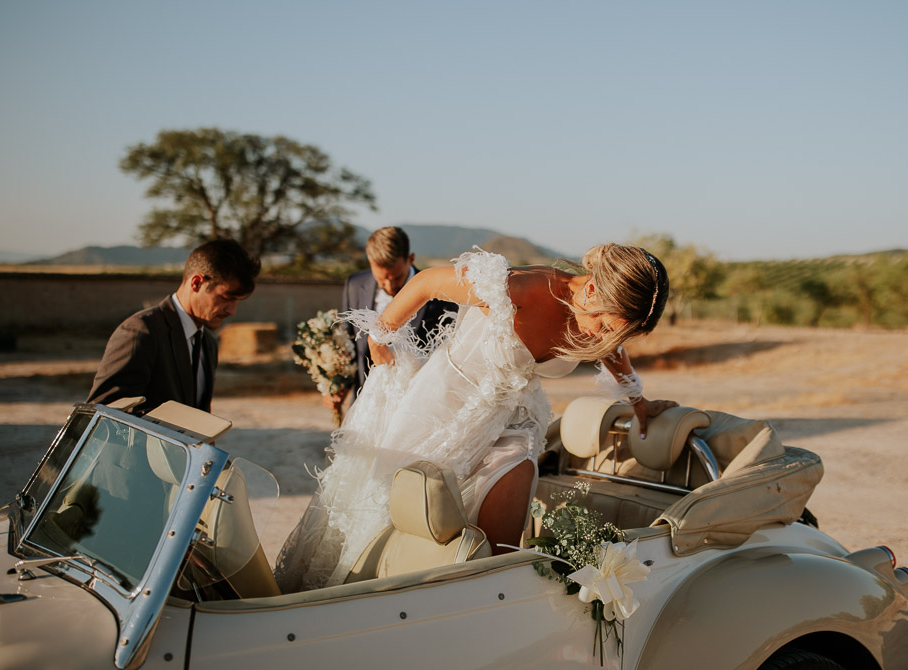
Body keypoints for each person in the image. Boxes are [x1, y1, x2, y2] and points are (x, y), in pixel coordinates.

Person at [274, 244, 676, 592]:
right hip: (446, 403)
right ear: (590, 289)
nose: (601, 338)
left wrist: (640, 404)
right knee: (392, 504)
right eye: (603, 326)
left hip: (514, 416)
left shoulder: (602, 324)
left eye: (614, 333)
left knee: (509, 502)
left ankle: (486, 596)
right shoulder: (515, 287)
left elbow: (612, 350)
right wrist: (380, 334)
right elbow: (427, 282)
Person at [87, 238, 260, 414]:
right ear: (197, 283)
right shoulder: (141, 331)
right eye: (226, 298)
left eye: (238, 301)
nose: (232, 311)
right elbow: (103, 415)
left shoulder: (208, 343)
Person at [325, 226, 457, 416]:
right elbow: (348, 344)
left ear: (410, 259)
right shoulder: (354, 285)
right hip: (364, 407)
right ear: (370, 262)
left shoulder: (439, 296)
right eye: (381, 279)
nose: (389, 286)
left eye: (396, 278)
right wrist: (337, 384)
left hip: (416, 410)